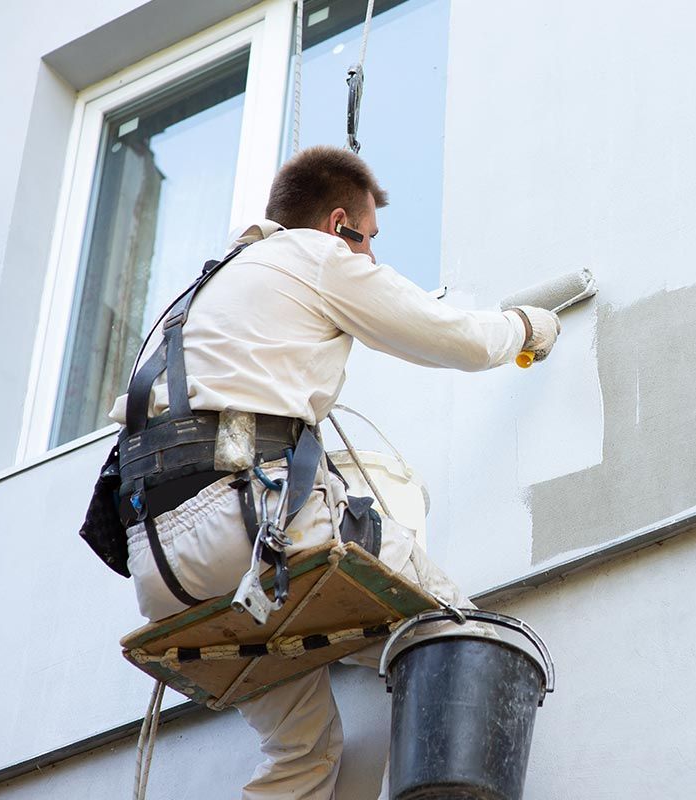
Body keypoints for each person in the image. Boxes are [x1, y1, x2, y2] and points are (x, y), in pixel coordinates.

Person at [109, 145, 561, 798]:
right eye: (368, 240)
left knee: (303, 750)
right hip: (252, 527)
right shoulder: (316, 256)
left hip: (161, 573)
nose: (369, 258)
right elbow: (449, 334)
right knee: (454, 632)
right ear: (337, 221)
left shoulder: (198, 301)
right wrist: (526, 327)